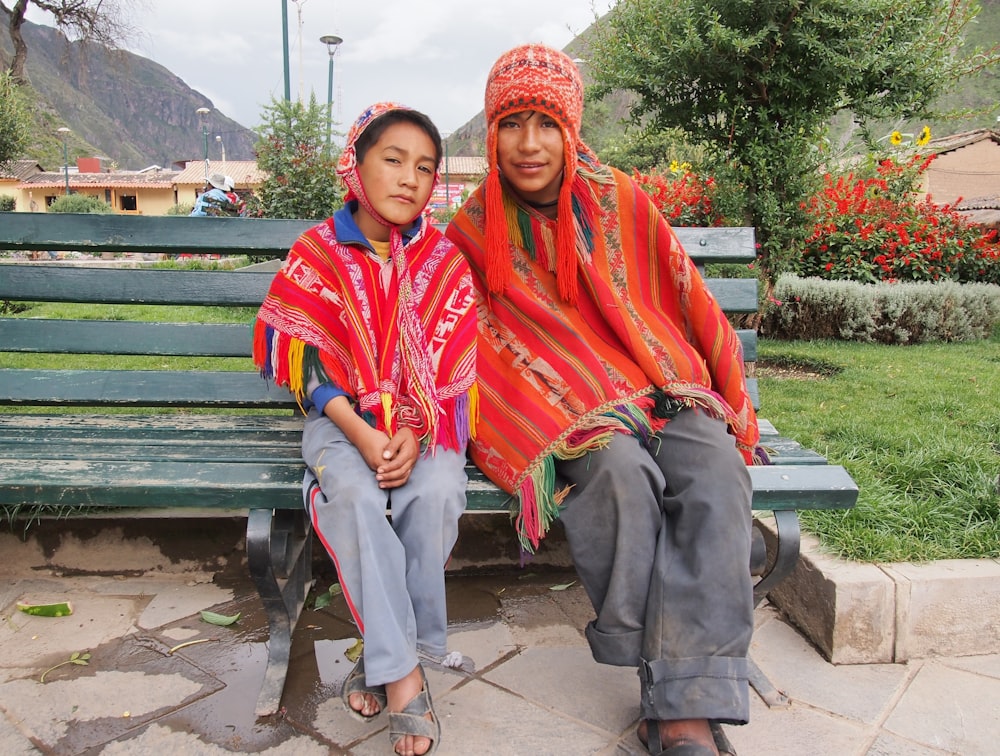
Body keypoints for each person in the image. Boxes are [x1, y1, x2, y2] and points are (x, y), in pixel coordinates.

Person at [445, 44, 768, 756]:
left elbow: (682, 297)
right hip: (571, 413)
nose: (529, 144)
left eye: (546, 123)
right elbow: (475, 345)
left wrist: (725, 399)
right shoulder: (474, 228)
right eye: (511, 123)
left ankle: (678, 681)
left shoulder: (619, 197)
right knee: (618, 475)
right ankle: (682, 709)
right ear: (490, 131)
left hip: (662, 387)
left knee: (716, 470)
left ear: (573, 128)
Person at [254, 102, 477, 756]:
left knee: (436, 495)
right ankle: (406, 676)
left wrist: (411, 432)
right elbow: (309, 370)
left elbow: (446, 375)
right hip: (342, 424)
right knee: (352, 497)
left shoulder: (442, 260)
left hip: (423, 425)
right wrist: (362, 432)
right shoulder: (318, 253)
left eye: (425, 167)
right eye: (393, 159)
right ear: (357, 163)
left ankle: (379, 657)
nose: (410, 178)